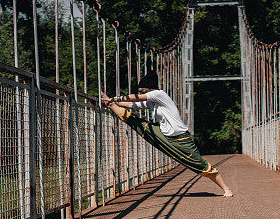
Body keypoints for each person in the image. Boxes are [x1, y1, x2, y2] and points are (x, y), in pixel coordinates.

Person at [100, 69, 234, 197]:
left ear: (148, 89)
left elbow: (135, 99)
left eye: (142, 90)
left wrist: (114, 98)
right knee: (140, 125)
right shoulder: (152, 102)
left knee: (199, 164)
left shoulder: (159, 95)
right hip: (164, 135)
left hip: (181, 139)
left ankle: (226, 189)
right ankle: (111, 106)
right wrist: (112, 102)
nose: (140, 92)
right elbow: (133, 105)